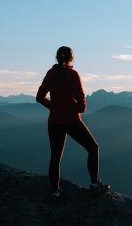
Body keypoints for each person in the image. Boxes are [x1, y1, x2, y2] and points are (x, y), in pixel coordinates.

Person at [36, 46, 110, 197]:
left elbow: (39, 97)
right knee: (93, 148)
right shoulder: (73, 75)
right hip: (71, 121)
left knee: (55, 157)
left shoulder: (50, 74)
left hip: (54, 122)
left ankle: (55, 191)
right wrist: (72, 107)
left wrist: (54, 107)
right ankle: (95, 184)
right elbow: (81, 106)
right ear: (72, 58)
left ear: (57, 58)